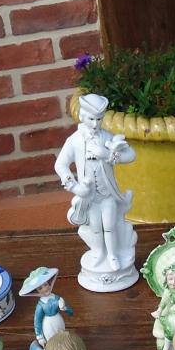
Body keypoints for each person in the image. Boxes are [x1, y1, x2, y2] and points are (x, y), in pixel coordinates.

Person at [54, 93, 136, 274]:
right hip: (89, 196)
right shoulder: (74, 141)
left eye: (99, 119)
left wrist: (108, 155)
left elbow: (131, 155)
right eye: (91, 119)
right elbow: (60, 165)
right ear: (82, 116)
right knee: (96, 228)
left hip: (107, 193)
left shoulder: (106, 137)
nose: (95, 124)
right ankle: (99, 253)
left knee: (110, 225)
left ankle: (113, 255)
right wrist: (75, 187)